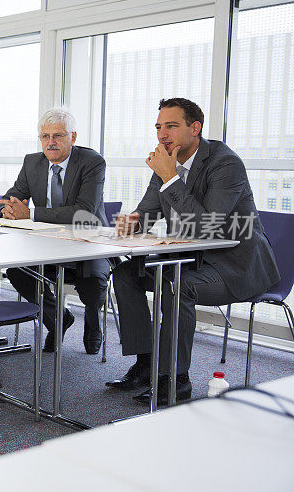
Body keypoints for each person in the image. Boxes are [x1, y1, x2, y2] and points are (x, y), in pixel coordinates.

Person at [107, 97, 279, 404]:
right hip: (191, 259)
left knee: (174, 285)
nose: (162, 134)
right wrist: (132, 223)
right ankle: (147, 363)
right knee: (124, 273)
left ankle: (175, 379)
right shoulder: (165, 162)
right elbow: (146, 213)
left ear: (194, 128)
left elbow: (206, 228)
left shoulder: (225, 163)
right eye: (159, 127)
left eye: (171, 126)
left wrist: (170, 177)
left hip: (234, 266)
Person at [0, 107, 110, 354]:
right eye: (45, 136)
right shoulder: (32, 162)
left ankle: (93, 323)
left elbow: (84, 212)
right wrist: (8, 208)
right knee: (18, 272)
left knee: (93, 279)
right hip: (45, 244)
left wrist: (31, 214)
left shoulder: (92, 162)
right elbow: (13, 195)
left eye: (58, 136)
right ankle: (58, 319)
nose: (51, 142)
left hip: (88, 242)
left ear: (73, 137)